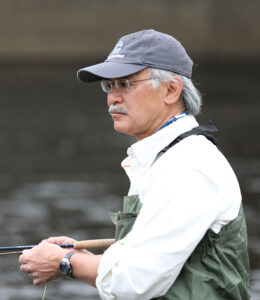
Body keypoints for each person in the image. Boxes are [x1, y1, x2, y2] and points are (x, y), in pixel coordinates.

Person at [19, 29, 250, 299]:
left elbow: (135, 281)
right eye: (109, 85)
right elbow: (140, 266)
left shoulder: (187, 167)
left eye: (125, 84)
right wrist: (78, 257)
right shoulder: (167, 157)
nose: (112, 97)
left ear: (171, 89)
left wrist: (66, 261)